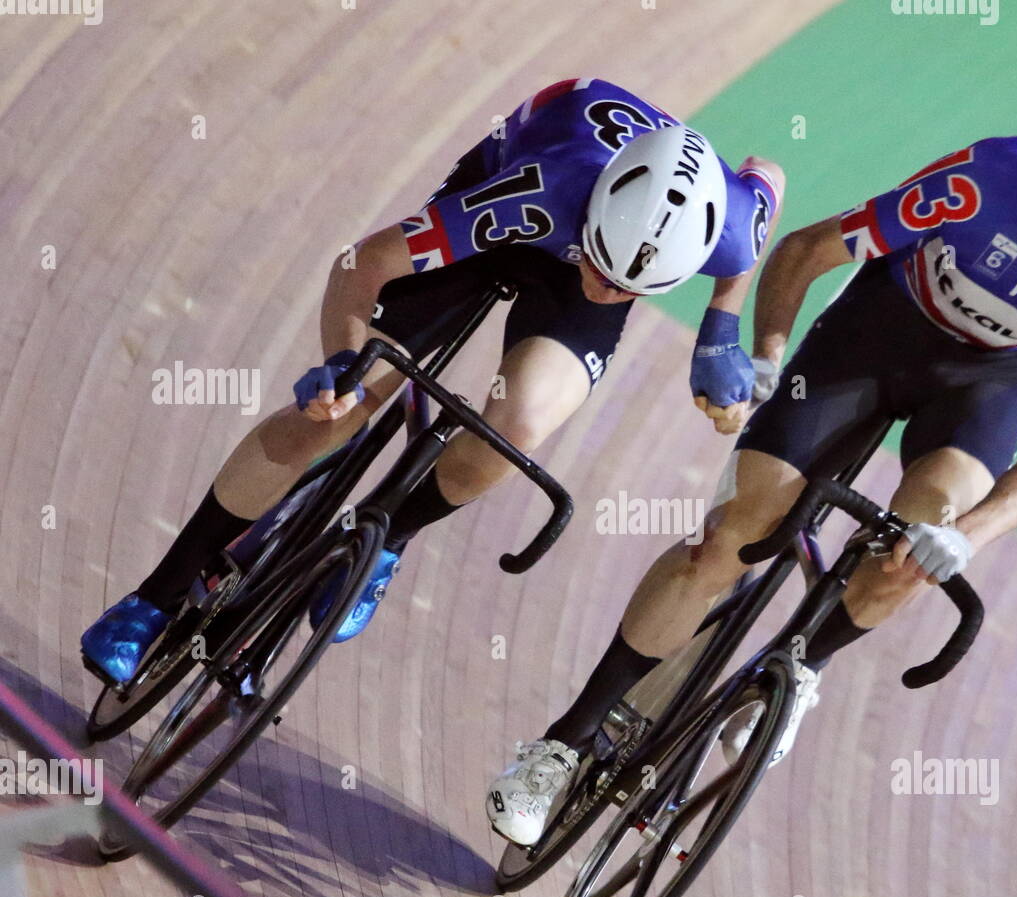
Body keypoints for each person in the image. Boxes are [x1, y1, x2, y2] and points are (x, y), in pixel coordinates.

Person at [491, 90, 1017, 844]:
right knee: (736, 535)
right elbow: (804, 251)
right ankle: (565, 743)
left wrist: (970, 539)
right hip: (879, 330)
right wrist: (766, 355)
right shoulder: (985, 180)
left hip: (984, 384)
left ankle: (800, 670)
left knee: (926, 538)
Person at [81, 78, 785, 690]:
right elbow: (361, 266)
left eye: (629, 287)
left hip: (606, 219)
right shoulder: (534, 194)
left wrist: (721, 326)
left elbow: (769, 179)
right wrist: (343, 363)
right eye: (601, 268)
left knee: (520, 428)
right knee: (333, 417)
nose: (604, 290)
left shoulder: (727, 229)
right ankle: (152, 598)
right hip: (527, 205)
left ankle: (387, 541)